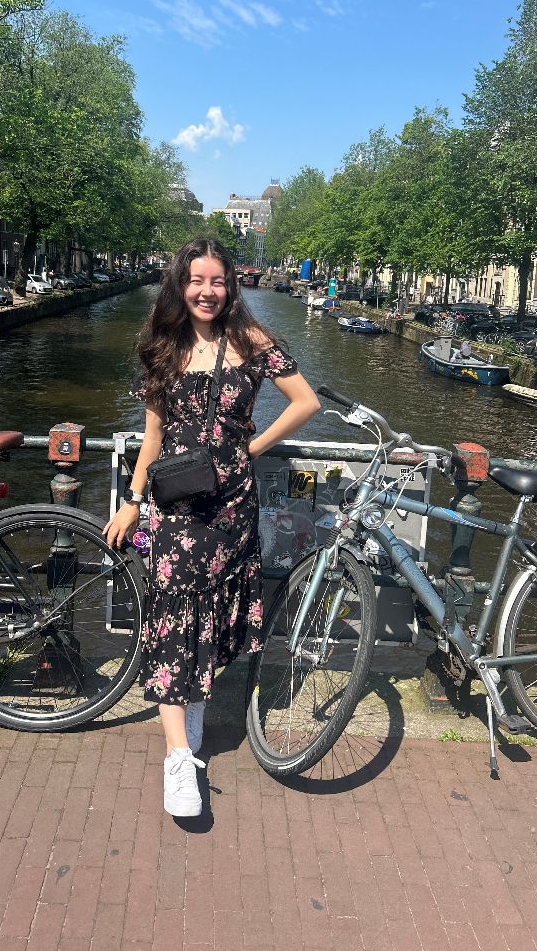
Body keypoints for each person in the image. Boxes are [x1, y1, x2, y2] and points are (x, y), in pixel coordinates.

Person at [104, 238, 319, 818]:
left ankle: (192, 696)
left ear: (231, 286)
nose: (206, 291)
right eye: (196, 280)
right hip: (176, 507)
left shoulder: (251, 342)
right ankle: (179, 759)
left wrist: (250, 448)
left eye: (217, 281)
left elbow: (305, 402)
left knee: (216, 614)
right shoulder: (163, 349)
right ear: (181, 285)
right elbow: (152, 437)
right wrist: (132, 501)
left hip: (230, 505)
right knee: (173, 616)